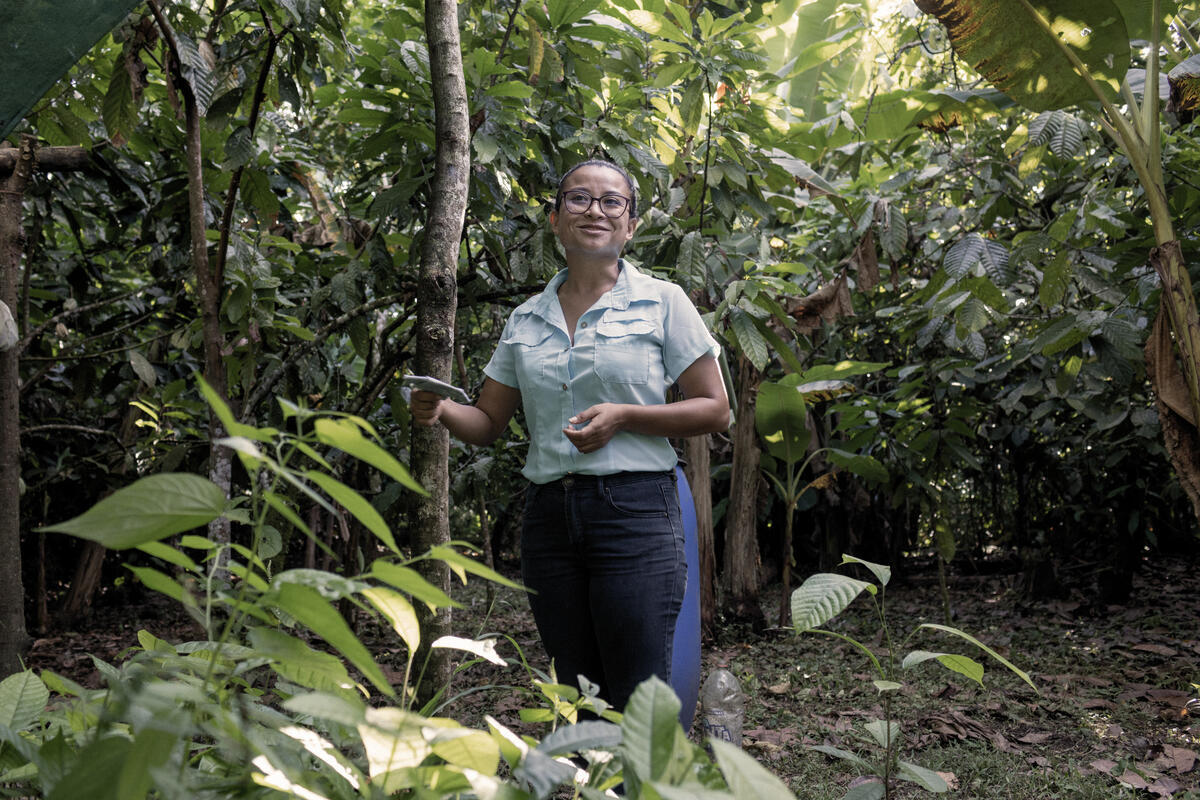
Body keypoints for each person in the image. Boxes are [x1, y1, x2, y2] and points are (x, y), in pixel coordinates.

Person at [410, 159, 728, 712]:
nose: (595, 211)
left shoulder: (664, 301)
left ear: (630, 226)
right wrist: (437, 409)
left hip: (637, 512)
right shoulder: (526, 319)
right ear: (555, 220)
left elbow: (715, 409)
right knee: (579, 692)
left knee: (638, 693)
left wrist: (625, 416)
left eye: (612, 202)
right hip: (550, 522)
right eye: (579, 199)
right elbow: (487, 423)